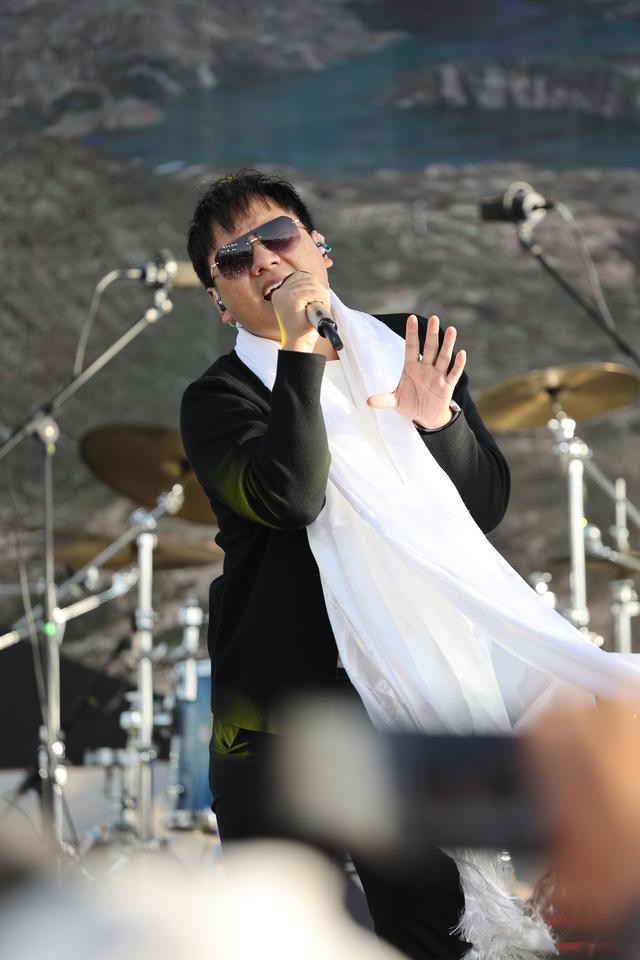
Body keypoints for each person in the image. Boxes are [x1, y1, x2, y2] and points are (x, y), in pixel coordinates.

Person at [180, 169, 511, 960]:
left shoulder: (403, 346)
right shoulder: (218, 398)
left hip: (402, 704)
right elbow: (291, 496)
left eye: (277, 235)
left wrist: (439, 424)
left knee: (433, 933)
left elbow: (483, 507)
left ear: (319, 248)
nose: (264, 258)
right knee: (286, 940)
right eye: (234, 257)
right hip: (278, 722)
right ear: (221, 301)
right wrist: (299, 350)